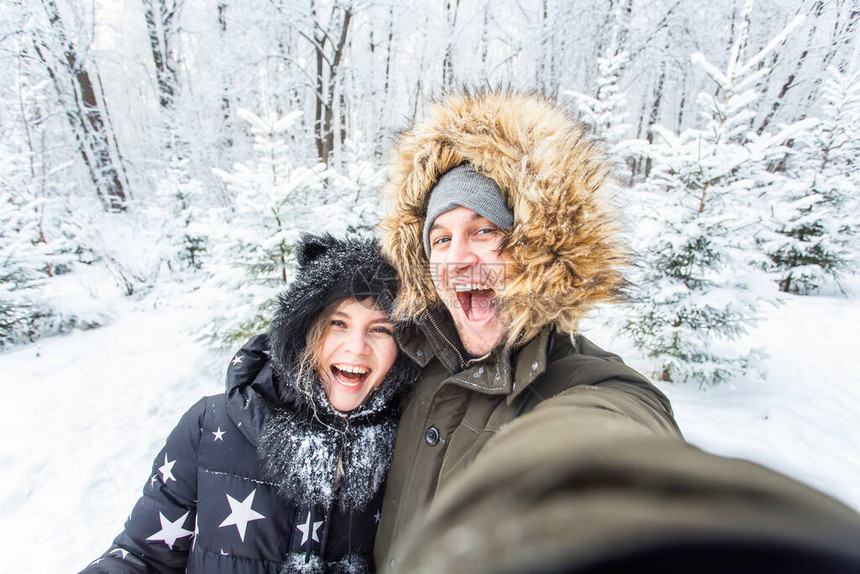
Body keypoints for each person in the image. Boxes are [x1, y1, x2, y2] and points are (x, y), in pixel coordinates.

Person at [374, 89, 860, 573]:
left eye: (484, 231)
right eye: (441, 238)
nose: (458, 256)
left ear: (535, 248)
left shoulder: (593, 383)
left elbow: (605, 435)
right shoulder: (408, 361)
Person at [81, 234, 418, 574]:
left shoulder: (409, 446)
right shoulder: (209, 426)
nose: (356, 346)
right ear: (302, 329)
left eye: (380, 330)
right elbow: (142, 556)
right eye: (338, 323)